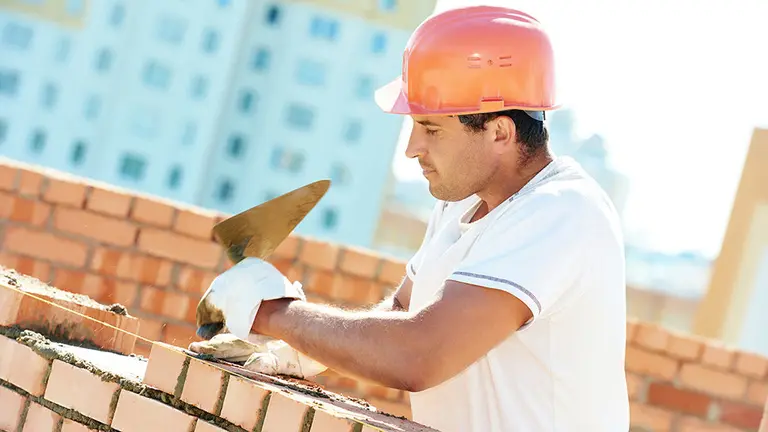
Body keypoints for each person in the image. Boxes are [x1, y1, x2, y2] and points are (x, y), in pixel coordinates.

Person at [190, 5, 630, 431]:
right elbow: (402, 310)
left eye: (432, 130)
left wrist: (273, 312)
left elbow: (421, 353)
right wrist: (300, 349)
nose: (412, 148)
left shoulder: (562, 211)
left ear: (500, 131)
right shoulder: (459, 203)